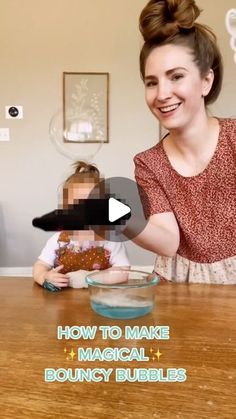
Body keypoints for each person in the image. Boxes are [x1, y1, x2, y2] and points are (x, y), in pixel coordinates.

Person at [129, 0, 236, 284]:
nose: (162, 93)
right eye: (151, 82)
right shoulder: (148, 163)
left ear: (205, 81)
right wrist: (120, 219)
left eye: (176, 76)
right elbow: (167, 243)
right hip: (178, 291)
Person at [33, 161, 130, 290]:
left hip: (100, 298)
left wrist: (92, 278)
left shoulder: (110, 239)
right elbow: (40, 266)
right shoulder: (59, 240)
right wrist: (45, 277)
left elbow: (123, 272)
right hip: (64, 301)